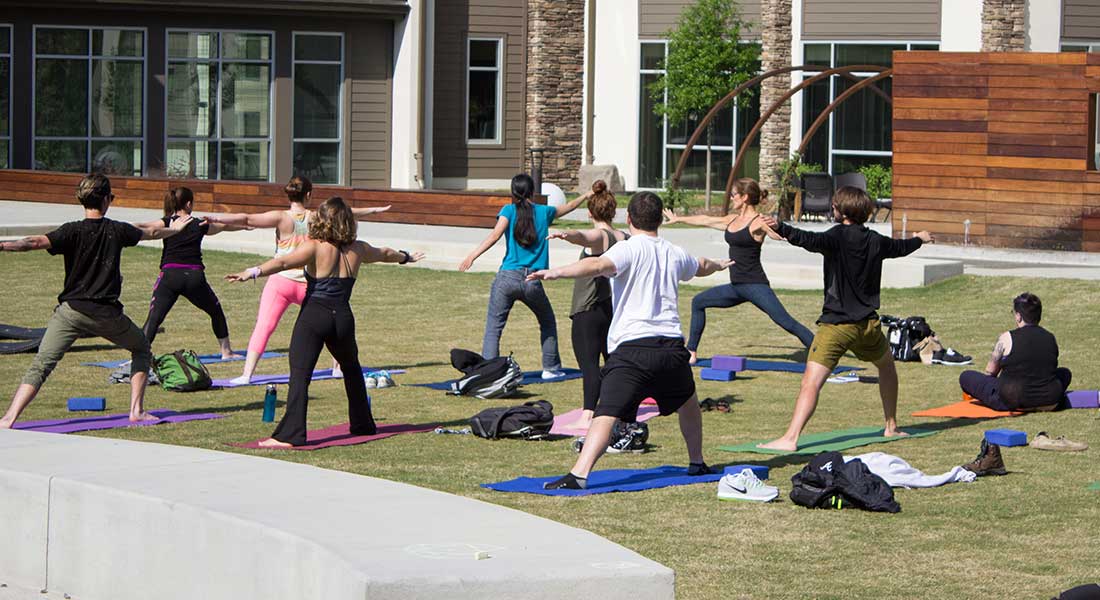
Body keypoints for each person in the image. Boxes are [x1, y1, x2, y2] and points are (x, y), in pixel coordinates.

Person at [527, 191, 734, 490]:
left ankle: (579, 474)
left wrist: (556, 272)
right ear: (660, 219)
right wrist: (718, 264)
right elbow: (700, 265)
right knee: (688, 404)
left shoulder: (628, 248)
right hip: (671, 349)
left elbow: (596, 266)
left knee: (605, 413)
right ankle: (697, 462)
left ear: (629, 219)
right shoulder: (673, 251)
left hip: (633, 350)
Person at [225, 197, 424, 447]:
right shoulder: (358, 248)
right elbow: (385, 253)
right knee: (351, 370)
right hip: (342, 317)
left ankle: (289, 435)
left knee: (300, 374)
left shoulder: (315, 246)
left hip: (314, 316)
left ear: (323, 220)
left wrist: (252, 272)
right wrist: (406, 257)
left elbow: (283, 262)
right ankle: (363, 425)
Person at [0, 173, 193, 428]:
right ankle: (136, 411)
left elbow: (33, 242)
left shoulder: (71, 230)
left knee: (41, 364)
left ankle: (8, 418)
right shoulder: (116, 230)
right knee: (141, 347)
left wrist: (3, 246)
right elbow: (152, 232)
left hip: (71, 313)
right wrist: (175, 229)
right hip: (106, 315)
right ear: (105, 200)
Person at [756, 186, 934, 452]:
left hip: (837, 327)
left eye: (835, 205)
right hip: (868, 327)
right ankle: (891, 425)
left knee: (811, 382)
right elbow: (901, 247)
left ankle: (790, 439)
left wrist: (781, 227)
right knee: (887, 367)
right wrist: (920, 238)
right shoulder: (876, 239)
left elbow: (807, 239)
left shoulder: (836, 237)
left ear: (840, 211)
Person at [206, 176, 390, 384]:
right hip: (309, 285)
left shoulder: (281, 217)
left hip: (281, 283)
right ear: (309, 195)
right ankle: (337, 367)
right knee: (331, 319)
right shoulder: (317, 216)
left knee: (264, 326)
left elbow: (247, 218)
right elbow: (346, 213)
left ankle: (247, 374)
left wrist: (218, 218)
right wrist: (372, 211)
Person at [664, 178, 815, 364]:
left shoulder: (758, 221)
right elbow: (706, 220)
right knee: (698, 302)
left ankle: (821, 353)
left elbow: (774, 232)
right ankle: (691, 352)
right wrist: (679, 218)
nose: (732, 198)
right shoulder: (732, 219)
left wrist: (777, 233)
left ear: (744, 197)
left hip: (755, 285)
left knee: (786, 322)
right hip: (736, 287)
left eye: (734, 195)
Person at [459, 173, 589, 378]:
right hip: (533, 280)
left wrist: (472, 256)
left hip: (506, 278)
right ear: (532, 192)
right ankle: (551, 369)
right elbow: (570, 207)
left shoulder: (508, 211)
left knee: (494, 327)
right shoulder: (544, 212)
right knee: (547, 322)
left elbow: (494, 235)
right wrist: (587, 194)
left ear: (513, 192)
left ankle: (488, 373)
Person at [546, 180, 628, 430]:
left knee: (589, 364)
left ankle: (588, 415)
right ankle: (621, 408)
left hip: (588, 310)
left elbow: (585, 236)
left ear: (590, 213)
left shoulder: (601, 237)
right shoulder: (623, 236)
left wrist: (566, 234)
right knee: (612, 361)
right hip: (610, 308)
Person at [139, 186, 250, 357]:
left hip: (170, 276)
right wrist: (244, 226)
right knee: (215, 311)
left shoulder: (168, 222)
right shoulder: (199, 224)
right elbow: (224, 226)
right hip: (194, 277)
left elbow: (145, 227)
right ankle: (226, 352)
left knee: (154, 318)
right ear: (189, 204)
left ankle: (139, 356)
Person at [959, 293, 1071, 411]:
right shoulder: (1050, 337)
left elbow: (990, 372)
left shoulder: (1007, 338)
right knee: (1065, 373)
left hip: (1013, 399)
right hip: (1050, 399)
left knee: (966, 376)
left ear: (1019, 316)